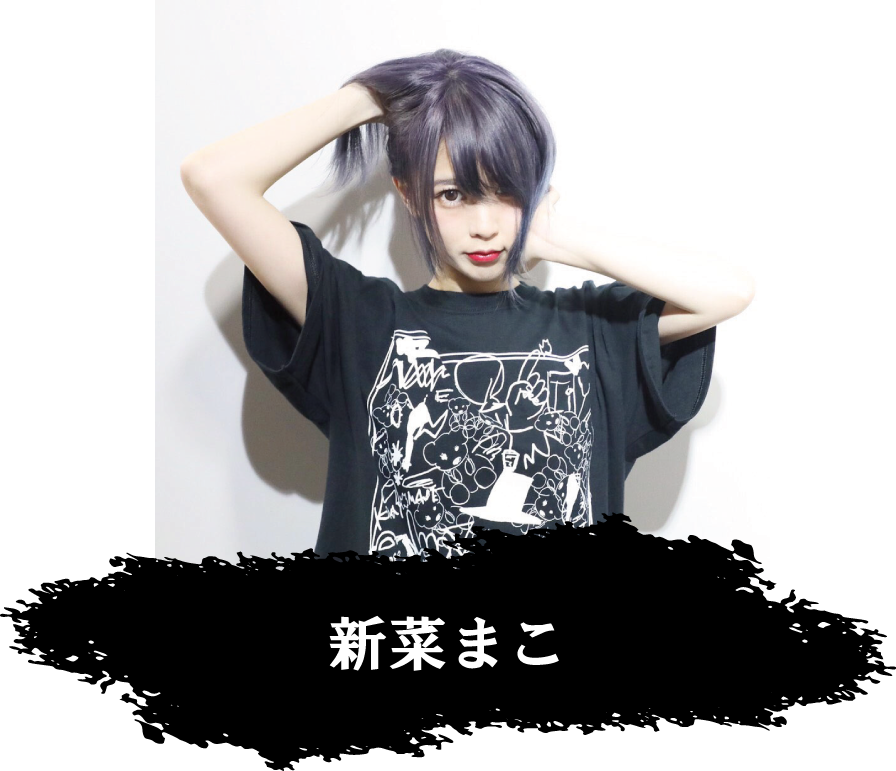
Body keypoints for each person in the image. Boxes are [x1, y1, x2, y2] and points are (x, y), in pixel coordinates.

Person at [180, 49, 754, 561]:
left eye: (507, 192)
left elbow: (729, 292)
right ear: (409, 192)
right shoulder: (358, 321)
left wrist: (555, 238)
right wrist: (373, 97)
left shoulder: (590, 329)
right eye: (452, 194)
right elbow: (213, 177)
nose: (484, 226)